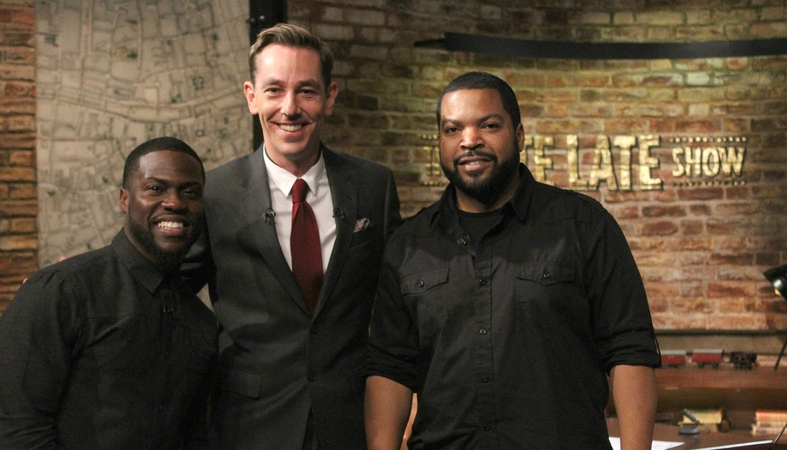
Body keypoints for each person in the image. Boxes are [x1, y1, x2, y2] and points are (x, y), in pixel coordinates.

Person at [364, 72, 661, 450]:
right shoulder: (408, 245)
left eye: (488, 125)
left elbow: (629, 348)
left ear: (518, 135)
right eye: (452, 129)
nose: (469, 141)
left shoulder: (583, 225)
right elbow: (390, 367)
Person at [181, 23, 402, 449]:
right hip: (250, 425)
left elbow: (401, 297)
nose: (290, 107)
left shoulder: (374, 187)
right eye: (274, 90)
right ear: (251, 97)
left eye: (306, 91)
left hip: (352, 422)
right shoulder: (216, 193)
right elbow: (168, 289)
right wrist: (83, 288)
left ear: (330, 96)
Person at [0, 137, 217, 449]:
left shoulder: (201, 323)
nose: (175, 202)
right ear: (124, 200)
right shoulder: (61, 290)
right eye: (155, 188)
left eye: (190, 192)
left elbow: (195, 437)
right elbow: (16, 430)